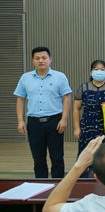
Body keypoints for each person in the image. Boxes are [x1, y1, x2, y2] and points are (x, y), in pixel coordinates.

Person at [14, 46, 72, 178]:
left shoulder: (60, 77)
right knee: (38, 158)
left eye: (44, 58)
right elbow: (20, 99)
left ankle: (58, 184)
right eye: (37, 58)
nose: (41, 60)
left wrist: (64, 119)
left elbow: (66, 98)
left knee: (57, 157)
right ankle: (41, 185)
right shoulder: (25, 78)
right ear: (33, 61)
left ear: (50, 59)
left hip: (55, 122)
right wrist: (20, 121)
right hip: (34, 123)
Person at [72, 59, 105, 177]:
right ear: (91, 71)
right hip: (87, 126)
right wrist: (77, 128)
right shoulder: (84, 87)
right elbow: (76, 109)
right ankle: (84, 180)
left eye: (102, 70)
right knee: (86, 153)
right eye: (96, 69)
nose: (99, 72)